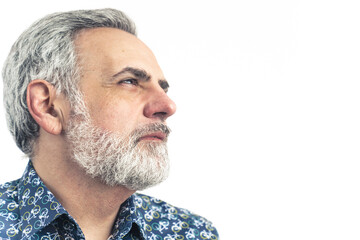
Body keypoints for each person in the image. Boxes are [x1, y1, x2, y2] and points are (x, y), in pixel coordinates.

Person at [0, 9, 218, 240]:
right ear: (49, 107)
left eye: (162, 88)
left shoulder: (192, 233)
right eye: (129, 81)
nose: (168, 106)